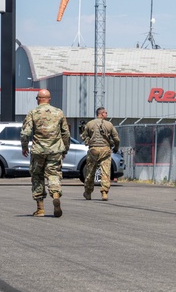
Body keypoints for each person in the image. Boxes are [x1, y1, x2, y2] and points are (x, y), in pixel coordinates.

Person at [21, 89, 71, 218]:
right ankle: (55, 195)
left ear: (38, 99)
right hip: (55, 150)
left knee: (37, 176)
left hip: (38, 150)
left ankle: (40, 209)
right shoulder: (59, 112)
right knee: (53, 174)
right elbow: (66, 133)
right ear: (49, 99)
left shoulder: (33, 113)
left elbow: (25, 133)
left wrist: (24, 147)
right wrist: (65, 149)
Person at [80, 106, 120, 201]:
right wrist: (116, 148)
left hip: (93, 150)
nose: (106, 114)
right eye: (105, 112)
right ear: (101, 114)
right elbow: (116, 139)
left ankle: (88, 192)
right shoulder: (109, 125)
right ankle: (104, 192)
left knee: (90, 172)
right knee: (105, 172)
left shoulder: (90, 124)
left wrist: (88, 141)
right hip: (105, 150)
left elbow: (84, 136)